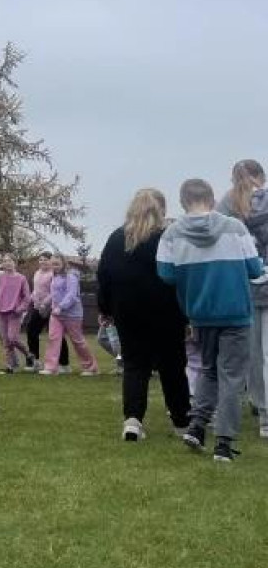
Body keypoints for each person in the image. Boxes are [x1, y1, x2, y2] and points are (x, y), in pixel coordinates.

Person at [158, 178, 264, 462]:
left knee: (208, 369)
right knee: (232, 377)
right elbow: (255, 269)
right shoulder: (235, 227)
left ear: (182, 201)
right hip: (235, 312)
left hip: (200, 311)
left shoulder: (171, 234)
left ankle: (196, 425)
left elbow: (166, 274)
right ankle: (224, 442)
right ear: (212, 198)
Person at [95, 188, 190, 442]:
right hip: (167, 311)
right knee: (173, 366)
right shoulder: (168, 237)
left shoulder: (117, 238)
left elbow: (104, 276)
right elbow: (181, 275)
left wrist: (105, 308)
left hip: (128, 312)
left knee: (134, 365)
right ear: (160, 210)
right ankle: (182, 421)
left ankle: (133, 421)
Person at [215, 160, 268, 439]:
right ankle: (265, 413)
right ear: (262, 176)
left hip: (240, 285)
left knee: (250, 353)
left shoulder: (225, 205)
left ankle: (257, 404)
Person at [40, 255, 98, 376]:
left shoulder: (71, 277)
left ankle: (91, 367)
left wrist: (61, 307)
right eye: (53, 264)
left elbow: (71, 295)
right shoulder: (54, 277)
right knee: (53, 339)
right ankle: (51, 367)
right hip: (56, 314)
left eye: (57, 264)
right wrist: (44, 303)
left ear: (63, 264)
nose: (54, 267)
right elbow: (54, 294)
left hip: (72, 314)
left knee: (78, 341)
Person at [27, 252, 69, 372]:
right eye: (40, 260)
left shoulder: (53, 274)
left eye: (46, 260)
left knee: (56, 335)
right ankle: (35, 361)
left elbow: (53, 292)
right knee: (31, 331)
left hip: (51, 308)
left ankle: (64, 364)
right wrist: (33, 300)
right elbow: (35, 290)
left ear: (51, 261)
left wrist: (44, 303)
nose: (43, 262)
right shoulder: (36, 273)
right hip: (37, 308)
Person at [0, 255, 33, 373]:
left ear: (15, 262)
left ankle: (28, 354)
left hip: (14, 312)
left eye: (9, 261)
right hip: (1, 312)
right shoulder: (0, 277)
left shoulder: (21, 278)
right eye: (4, 261)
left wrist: (20, 309)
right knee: (6, 341)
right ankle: (10, 366)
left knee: (13, 338)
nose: (7, 263)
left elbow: (27, 297)